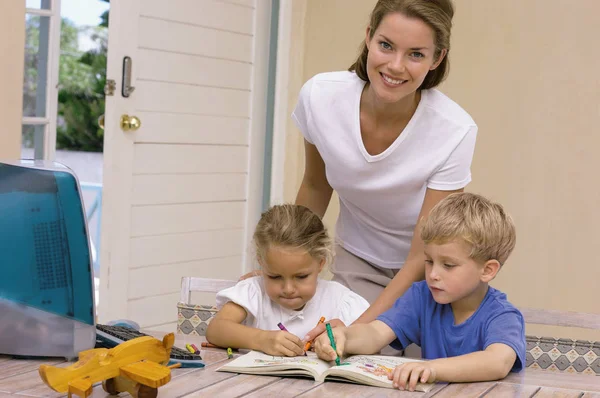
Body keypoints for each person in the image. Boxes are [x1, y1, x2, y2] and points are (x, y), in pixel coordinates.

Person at [295, 0, 478, 341]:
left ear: (437, 59)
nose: (395, 66)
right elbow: (315, 186)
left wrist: (358, 331)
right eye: (386, 45)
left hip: (427, 272)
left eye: (416, 54)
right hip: (357, 260)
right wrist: (282, 261)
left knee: (410, 374)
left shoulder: (454, 130)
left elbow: (425, 250)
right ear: (368, 37)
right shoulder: (320, 97)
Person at [314, 193, 526, 391]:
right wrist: (344, 336)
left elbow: (497, 362)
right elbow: (376, 333)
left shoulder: (503, 316)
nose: (433, 274)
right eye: (429, 261)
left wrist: (433, 369)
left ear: (487, 270)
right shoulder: (422, 296)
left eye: (448, 265)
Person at [206, 204, 370, 356]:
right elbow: (215, 330)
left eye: (301, 277)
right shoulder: (254, 292)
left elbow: (372, 339)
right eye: (275, 277)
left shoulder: (339, 300)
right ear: (262, 263)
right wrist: (262, 339)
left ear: (321, 263)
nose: (288, 288)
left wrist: (345, 338)